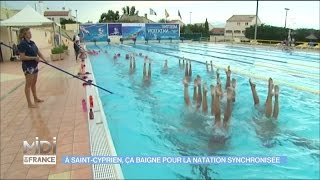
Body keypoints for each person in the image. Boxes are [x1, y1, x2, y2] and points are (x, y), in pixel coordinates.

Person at [17, 27, 47, 108]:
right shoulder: (22, 44)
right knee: (28, 84)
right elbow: (22, 57)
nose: (30, 34)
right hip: (28, 66)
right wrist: (34, 58)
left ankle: (35, 98)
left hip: (34, 65)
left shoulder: (32, 42)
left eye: (30, 32)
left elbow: (38, 52)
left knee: (34, 83)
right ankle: (29, 103)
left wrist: (45, 59)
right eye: (29, 32)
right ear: (24, 35)